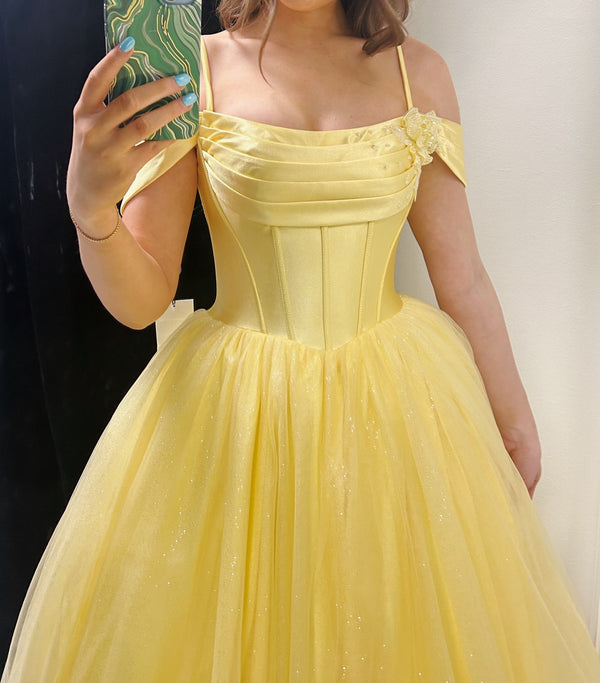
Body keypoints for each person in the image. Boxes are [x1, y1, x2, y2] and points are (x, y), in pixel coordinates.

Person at [3, 0, 600, 680]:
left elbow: (461, 277)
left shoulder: (419, 73)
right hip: (234, 418)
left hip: (395, 410)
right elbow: (141, 303)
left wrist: (513, 414)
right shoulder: (192, 71)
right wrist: (91, 212)